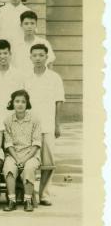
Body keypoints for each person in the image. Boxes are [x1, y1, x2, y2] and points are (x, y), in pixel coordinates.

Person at [23, 43, 64, 206]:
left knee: (48, 162)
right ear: (30, 57)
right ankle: (29, 192)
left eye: (41, 55)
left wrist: (57, 124)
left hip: (47, 125)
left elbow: (59, 101)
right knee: (29, 161)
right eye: (35, 55)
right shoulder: (26, 78)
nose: (38, 58)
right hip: (29, 127)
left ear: (47, 57)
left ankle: (45, 194)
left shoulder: (54, 78)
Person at [2, 89, 42, 212]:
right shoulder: (7, 120)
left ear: (27, 103)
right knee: (9, 167)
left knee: (29, 167)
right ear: (12, 103)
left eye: (23, 102)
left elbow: (36, 144)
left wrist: (24, 160)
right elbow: (8, 143)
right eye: (17, 101)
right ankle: (12, 200)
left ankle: (27, 200)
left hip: (31, 155)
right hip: (13, 154)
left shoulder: (34, 120)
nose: (20, 104)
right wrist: (17, 158)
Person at [0, 39, 26, 118]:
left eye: (5, 53)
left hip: (13, 116)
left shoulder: (18, 74)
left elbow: (21, 98)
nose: (2, 56)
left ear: (10, 53)